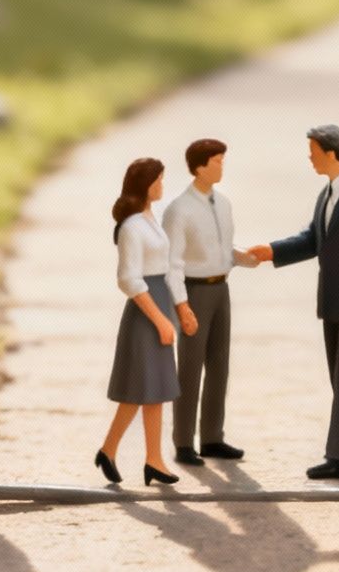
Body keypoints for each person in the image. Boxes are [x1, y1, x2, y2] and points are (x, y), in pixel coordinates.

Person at [243, 124, 339, 480]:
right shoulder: (327, 195)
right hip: (333, 302)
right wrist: (272, 251)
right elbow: (314, 239)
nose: (309, 158)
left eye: (313, 152)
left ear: (330, 153)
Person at [162, 138, 259, 466]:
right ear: (199, 167)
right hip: (195, 292)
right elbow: (172, 263)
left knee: (219, 365)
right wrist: (181, 305)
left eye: (222, 160)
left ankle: (212, 436)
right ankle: (183, 441)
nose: (221, 167)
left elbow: (222, 248)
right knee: (190, 368)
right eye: (216, 161)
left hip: (221, 290)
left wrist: (244, 257)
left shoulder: (223, 204)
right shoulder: (179, 210)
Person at [97, 157, 183, 487]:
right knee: (140, 390)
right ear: (145, 184)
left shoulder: (149, 219)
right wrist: (160, 320)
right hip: (146, 310)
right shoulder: (133, 227)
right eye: (158, 180)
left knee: (153, 390)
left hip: (158, 300)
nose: (162, 185)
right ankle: (118, 452)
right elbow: (128, 279)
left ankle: (148, 458)